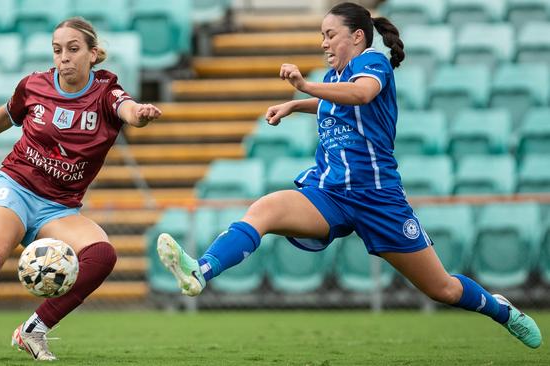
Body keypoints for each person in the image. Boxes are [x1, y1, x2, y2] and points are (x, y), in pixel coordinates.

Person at [157, 2, 542, 349]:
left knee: (441, 288)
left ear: (357, 37)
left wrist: (304, 86)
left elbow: (361, 96)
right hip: (331, 194)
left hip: (378, 199)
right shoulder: (335, 77)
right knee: (266, 209)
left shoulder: (371, 62)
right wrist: (296, 104)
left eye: (330, 35)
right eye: (321, 36)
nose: (323, 43)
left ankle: (502, 310)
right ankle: (201, 270)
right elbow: (338, 97)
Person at [0, 17, 162, 360]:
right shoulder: (34, 85)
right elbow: (8, 112)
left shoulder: (106, 92)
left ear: (93, 54)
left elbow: (129, 111)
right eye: (57, 50)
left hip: (58, 208)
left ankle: (35, 329)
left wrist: (140, 112)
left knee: (102, 255)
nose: (63, 57)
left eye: (73, 49)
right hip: (15, 187)